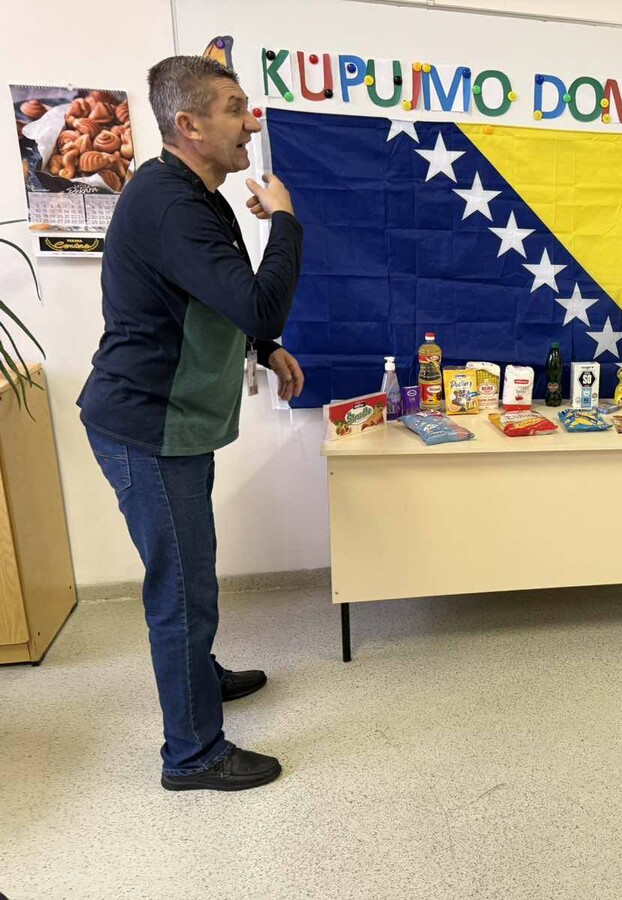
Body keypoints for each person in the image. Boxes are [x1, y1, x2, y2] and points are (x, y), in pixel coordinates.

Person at [77, 56, 305, 790]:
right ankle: (193, 754)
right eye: (235, 107)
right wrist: (287, 224)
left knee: (189, 573)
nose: (252, 122)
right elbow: (261, 298)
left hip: (174, 423)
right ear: (189, 124)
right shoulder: (172, 204)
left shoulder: (196, 195)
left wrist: (264, 347)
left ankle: (198, 679)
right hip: (149, 428)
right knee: (182, 589)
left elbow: (227, 300)